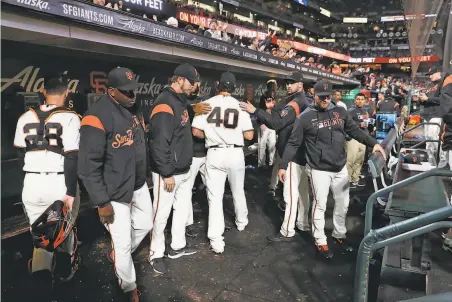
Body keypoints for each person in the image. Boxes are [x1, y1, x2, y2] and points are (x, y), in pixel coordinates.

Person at [278, 80, 386, 259]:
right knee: (319, 205)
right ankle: (320, 239)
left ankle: (339, 234)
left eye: (328, 96)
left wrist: (373, 144)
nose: (326, 99)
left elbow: (355, 131)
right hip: (318, 169)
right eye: (322, 97)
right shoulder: (304, 117)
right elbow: (294, 142)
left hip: (339, 166)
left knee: (343, 203)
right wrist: (283, 165)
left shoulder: (340, 111)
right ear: (315, 96)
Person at [78, 67, 152, 301]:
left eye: (134, 91)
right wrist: (101, 202)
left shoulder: (134, 109)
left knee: (145, 224)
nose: (133, 96)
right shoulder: (96, 116)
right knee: (121, 244)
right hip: (113, 192)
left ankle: (121, 257)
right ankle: (129, 288)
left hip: (138, 183)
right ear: (111, 91)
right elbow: (88, 166)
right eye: (126, 92)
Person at [14, 73, 81, 287]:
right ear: (66, 92)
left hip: (32, 184)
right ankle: (64, 273)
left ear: (43, 92)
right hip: (59, 184)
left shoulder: (25, 117)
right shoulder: (70, 117)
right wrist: (70, 192)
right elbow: (72, 157)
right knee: (65, 229)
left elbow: (19, 155)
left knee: (40, 238)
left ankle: (41, 285)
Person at [239, 71, 310, 242]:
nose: (288, 85)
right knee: (302, 193)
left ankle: (287, 231)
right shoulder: (295, 100)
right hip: (300, 151)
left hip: (293, 153)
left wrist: (255, 110)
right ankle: (303, 224)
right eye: (287, 82)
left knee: (291, 195)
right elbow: (279, 115)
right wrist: (274, 108)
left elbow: (276, 123)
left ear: (300, 84)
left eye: (292, 82)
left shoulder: (298, 101)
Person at [192, 71, 254, 254]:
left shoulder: (206, 104)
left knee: (215, 198)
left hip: (215, 152)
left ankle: (216, 241)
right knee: (237, 190)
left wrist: (212, 136)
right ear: (234, 88)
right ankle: (242, 222)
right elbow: (249, 135)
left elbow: (195, 132)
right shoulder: (240, 106)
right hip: (235, 153)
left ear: (217, 85)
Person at [148, 64, 198, 274]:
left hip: (183, 170)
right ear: (179, 80)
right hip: (168, 173)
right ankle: (155, 253)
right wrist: (166, 172)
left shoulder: (180, 101)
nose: (194, 87)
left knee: (181, 210)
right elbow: (159, 142)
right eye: (191, 82)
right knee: (161, 214)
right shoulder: (164, 103)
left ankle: (177, 246)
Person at [185, 77, 212, 238]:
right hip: (192, 153)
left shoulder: (206, 103)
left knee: (212, 186)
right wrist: (194, 109)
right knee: (186, 190)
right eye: (196, 84)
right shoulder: (185, 103)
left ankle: (216, 219)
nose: (198, 87)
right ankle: (187, 223)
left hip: (206, 152)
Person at [420, 65, 447, 165]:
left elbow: (444, 99)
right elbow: (427, 100)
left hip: (436, 116)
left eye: (432, 74)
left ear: (438, 72)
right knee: (429, 143)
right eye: (429, 74)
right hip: (427, 116)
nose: (430, 76)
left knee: (435, 140)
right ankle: (431, 166)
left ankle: (443, 165)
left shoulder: (443, 83)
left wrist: (428, 99)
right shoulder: (430, 85)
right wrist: (421, 100)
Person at [347, 93, 373, 188]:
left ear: (365, 101)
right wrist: (359, 125)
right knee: (350, 160)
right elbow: (346, 124)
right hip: (353, 138)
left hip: (362, 138)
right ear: (355, 100)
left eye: (362, 99)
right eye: (358, 99)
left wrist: (369, 123)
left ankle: (355, 178)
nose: (360, 101)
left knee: (359, 160)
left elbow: (366, 123)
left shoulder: (365, 111)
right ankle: (348, 180)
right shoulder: (350, 111)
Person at [258, 80, 277, 168]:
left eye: (275, 87)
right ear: (269, 87)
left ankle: (271, 162)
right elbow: (262, 110)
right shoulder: (264, 96)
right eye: (273, 87)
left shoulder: (275, 97)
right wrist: (261, 123)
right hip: (264, 124)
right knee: (262, 145)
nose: (274, 88)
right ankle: (261, 164)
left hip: (272, 124)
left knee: (272, 144)